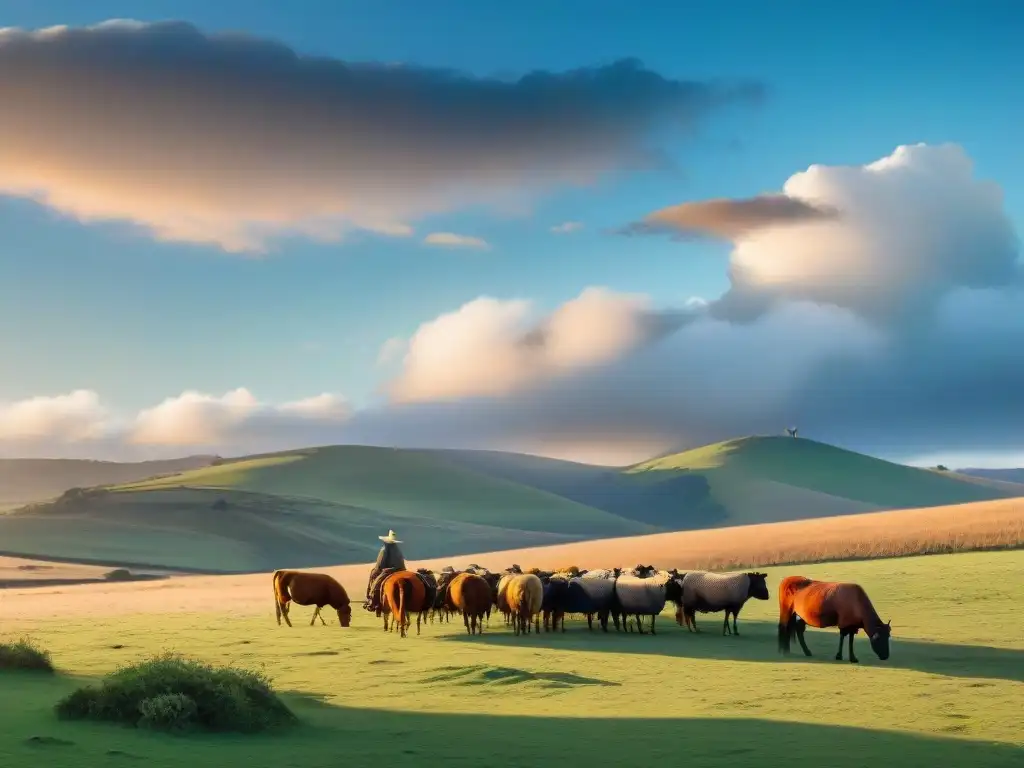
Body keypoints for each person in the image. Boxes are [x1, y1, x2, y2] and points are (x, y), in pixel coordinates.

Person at [364, 529, 407, 608]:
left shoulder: (384, 549)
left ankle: (372, 599)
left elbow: (380, 563)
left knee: (375, 580)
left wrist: (377, 570)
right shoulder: (397, 549)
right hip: (402, 570)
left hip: (391, 570)